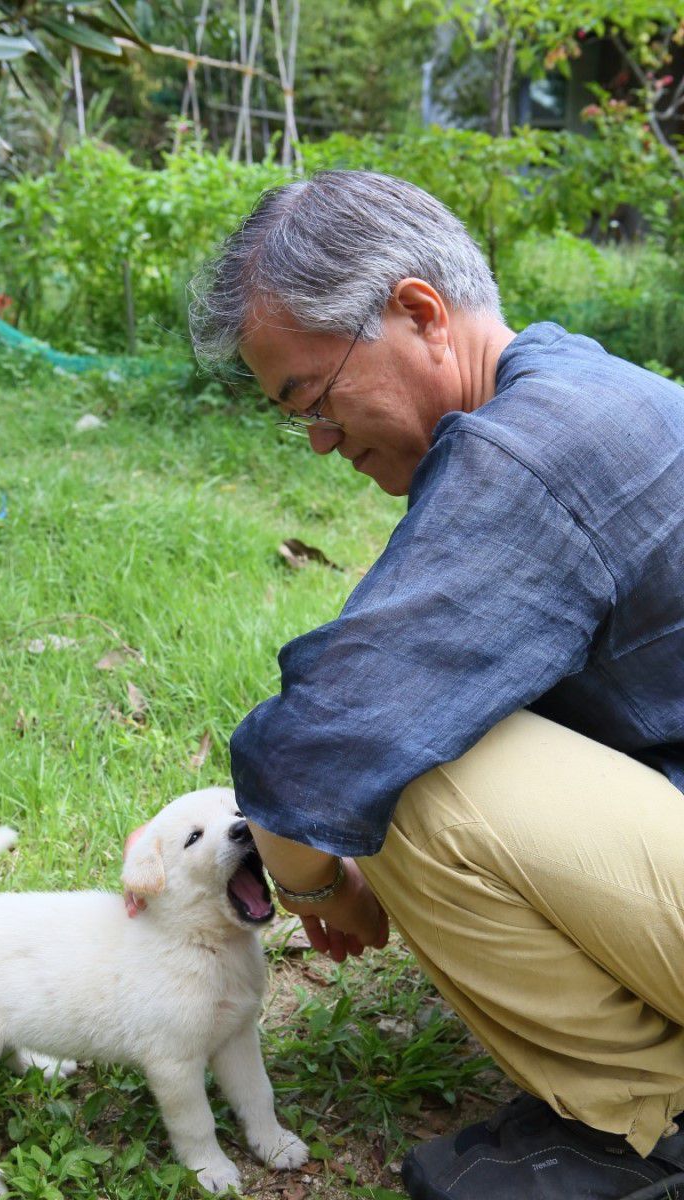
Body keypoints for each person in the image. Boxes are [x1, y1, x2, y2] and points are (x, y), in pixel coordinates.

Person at [140, 168, 684, 1200]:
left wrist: (316, 884)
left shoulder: (534, 450)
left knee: (412, 777)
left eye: (311, 394)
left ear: (419, 313)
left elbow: (321, 744)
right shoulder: (571, 381)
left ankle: (651, 1116)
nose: (316, 439)